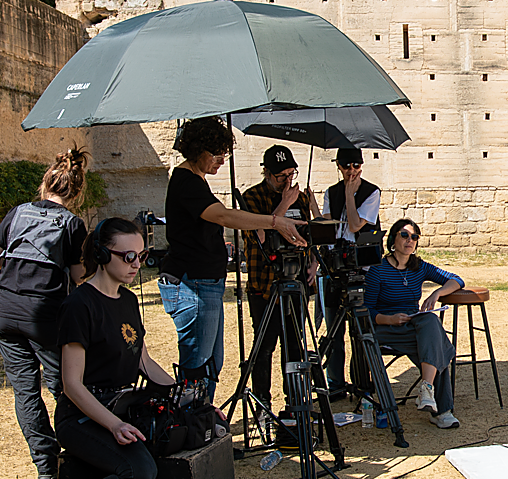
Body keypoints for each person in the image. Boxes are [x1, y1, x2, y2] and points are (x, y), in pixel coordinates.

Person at [47, 218, 172, 479]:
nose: (136, 265)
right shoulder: (79, 305)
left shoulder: (129, 301)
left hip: (123, 405)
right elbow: (71, 385)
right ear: (103, 255)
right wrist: (114, 425)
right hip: (81, 416)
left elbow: (144, 362)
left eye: (142, 256)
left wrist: (185, 397)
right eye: (127, 256)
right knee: (139, 473)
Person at [158, 118, 306, 403]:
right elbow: (224, 216)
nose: (221, 162)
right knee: (197, 365)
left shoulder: (197, 180)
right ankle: (192, 424)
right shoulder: (185, 181)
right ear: (198, 151)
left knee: (212, 362)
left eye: (224, 155)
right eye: (216, 155)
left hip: (206, 283)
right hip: (193, 284)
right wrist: (275, 221)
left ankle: (202, 422)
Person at [0, 147, 90, 479]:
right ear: (77, 192)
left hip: (5, 309)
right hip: (43, 312)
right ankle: (77, 450)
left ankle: (44, 465)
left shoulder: (18, 213)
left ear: (46, 184)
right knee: (64, 385)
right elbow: (77, 275)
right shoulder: (72, 223)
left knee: (25, 390)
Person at [241, 144, 318, 417]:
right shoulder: (251, 198)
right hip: (264, 285)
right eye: (281, 176)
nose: (287, 181)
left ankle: (296, 403)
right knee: (264, 347)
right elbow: (258, 237)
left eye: (291, 174)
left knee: (295, 345)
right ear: (267, 173)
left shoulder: (301, 198)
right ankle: (262, 405)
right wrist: (284, 203)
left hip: (296, 283)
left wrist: (313, 263)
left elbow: (309, 236)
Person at [364, 218, 464, 429]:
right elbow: (367, 310)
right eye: (404, 235)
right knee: (437, 346)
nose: (410, 240)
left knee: (429, 320)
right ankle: (442, 411)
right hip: (385, 327)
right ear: (393, 240)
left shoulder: (419, 267)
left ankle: (427, 389)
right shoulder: (377, 269)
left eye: (414, 237)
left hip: (412, 325)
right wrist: (389, 319)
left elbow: (456, 280)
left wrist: (437, 292)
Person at [318, 147, 381, 392]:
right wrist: (316, 208)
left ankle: (362, 380)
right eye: (347, 166)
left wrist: (349, 196)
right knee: (334, 328)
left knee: (360, 328)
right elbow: (328, 228)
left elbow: (355, 225)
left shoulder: (370, 192)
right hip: (336, 265)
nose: (352, 171)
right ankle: (335, 381)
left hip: (361, 265)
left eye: (356, 166)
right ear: (339, 167)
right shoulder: (331, 192)